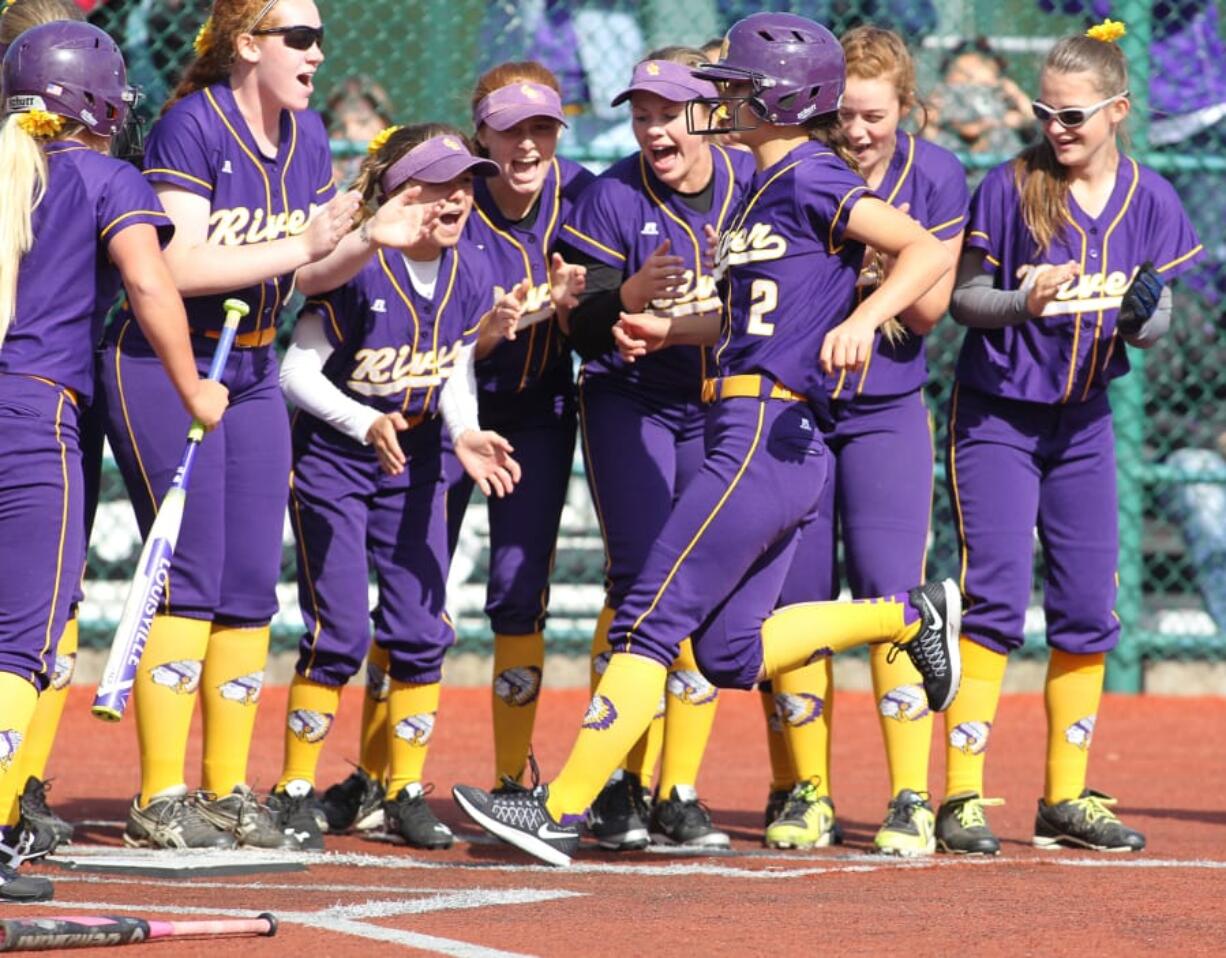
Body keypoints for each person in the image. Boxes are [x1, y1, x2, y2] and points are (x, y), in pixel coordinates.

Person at [452, 11, 961, 867]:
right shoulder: (760, 184)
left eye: (733, 88)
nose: (719, 101)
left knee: (646, 617)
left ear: (778, 97)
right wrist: (672, 330)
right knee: (728, 654)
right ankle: (904, 615)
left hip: (764, 429)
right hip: (755, 419)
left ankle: (563, 808)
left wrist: (869, 317)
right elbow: (758, 313)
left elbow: (920, 249)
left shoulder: (805, 172)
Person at [97, 0, 374, 852]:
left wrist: (378, 236)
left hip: (252, 367)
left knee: (254, 581)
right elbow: (175, 265)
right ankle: (159, 795)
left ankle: (224, 788)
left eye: (321, 36)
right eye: (298, 36)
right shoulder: (193, 125)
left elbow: (315, 264)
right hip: (164, 361)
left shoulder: (309, 135)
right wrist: (301, 246)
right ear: (248, 45)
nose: (317, 52)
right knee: (193, 573)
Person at [938, 19, 1202, 855]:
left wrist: (1141, 316)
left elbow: (1157, 317)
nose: (1057, 128)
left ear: (1118, 111)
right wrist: (1027, 300)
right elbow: (965, 299)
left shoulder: (1151, 195)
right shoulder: (1011, 185)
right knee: (996, 599)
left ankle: (1065, 796)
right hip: (999, 415)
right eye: (1048, 112)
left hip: (1084, 418)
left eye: (1075, 116)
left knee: (1089, 606)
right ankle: (962, 798)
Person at [0, 18, 227, 900]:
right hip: (35, 413)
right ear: (88, 103)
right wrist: (193, 388)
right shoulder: (104, 175)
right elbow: (146, 279)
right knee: (22, 636)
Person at [276, 126, 526, 850]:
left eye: (466, 185)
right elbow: (297, 373)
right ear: (399, 192)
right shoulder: (360, 270)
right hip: (339, 458)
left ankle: (404, 789)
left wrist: (464, 432)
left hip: (417, 459)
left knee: (421, 629)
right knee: (340, 633)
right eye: (439, 185)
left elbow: (450, 364)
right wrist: (361, 421)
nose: (456, 200)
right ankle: (294, 789)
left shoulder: (471, 269)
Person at [762, 25, 969, 856]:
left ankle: (911, 796)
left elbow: (929, 307)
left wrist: (863, 300)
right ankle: (805, 788)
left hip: (886, 406)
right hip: (798, 408)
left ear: (906, 109)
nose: (856, 132)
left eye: (874, 115)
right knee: (798, 600)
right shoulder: (802, 169)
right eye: (843, 114)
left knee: (894, 595)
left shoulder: (939, 173)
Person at [555, 46, 755, 851]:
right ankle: (616, 782)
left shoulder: (752, 188)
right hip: (631, 400)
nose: (651, 127)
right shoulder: (610, 197)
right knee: (640, 579)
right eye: (640, 113)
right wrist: (627, 298)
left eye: (667, 111)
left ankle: (678, 788)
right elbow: (579, 323)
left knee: (697, 588)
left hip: (720, 405)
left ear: (705, 113)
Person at [923, 37, 1034, 161]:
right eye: (962, 86)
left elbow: (1034, 129)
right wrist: (927, 125)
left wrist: (1023, 107)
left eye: (982, 89)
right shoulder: (939, 136)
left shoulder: (1010, 127)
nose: (972, 105)